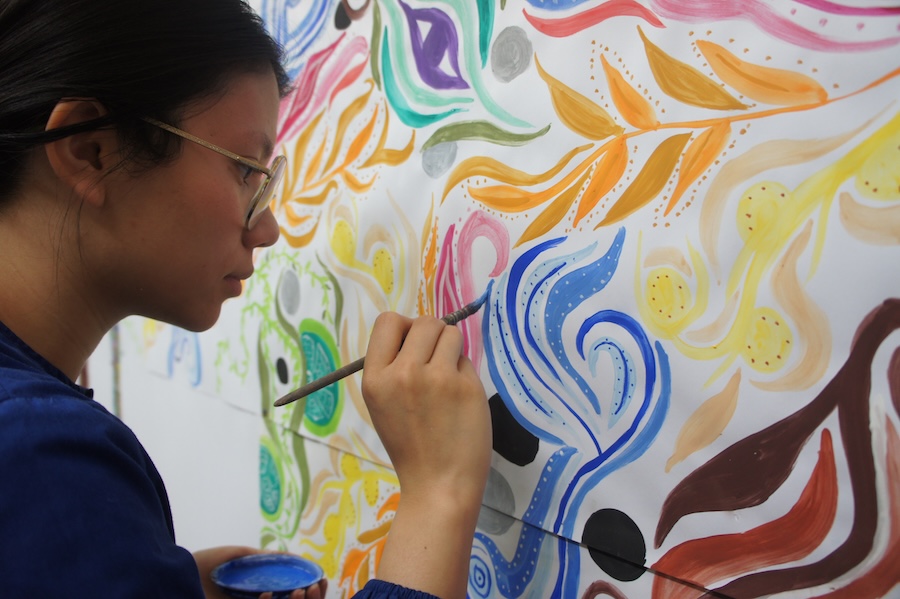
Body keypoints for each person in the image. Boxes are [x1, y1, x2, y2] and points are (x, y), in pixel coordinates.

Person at [0, 1, 492, 598]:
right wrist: (439, 494)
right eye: (244, 172)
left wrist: (145, 577)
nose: (267, 229)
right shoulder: (37, 455)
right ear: (90, 150)